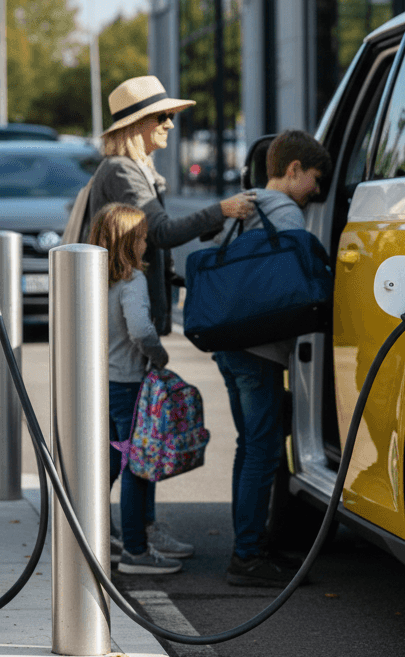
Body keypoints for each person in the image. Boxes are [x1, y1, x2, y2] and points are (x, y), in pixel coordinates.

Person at [88, 75, 257, 561]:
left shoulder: (138, 170)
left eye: (170, 116)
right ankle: (121, 533)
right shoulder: (123, 171)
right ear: (136, 124)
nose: (169, 124)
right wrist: (220, 210)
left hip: (124, 340)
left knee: (132, 442)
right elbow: (156, 232)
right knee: (134, 445)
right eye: (161, 116)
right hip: (128, 344)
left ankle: (126, 528)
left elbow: (149, 249)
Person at [213, 129, 332, 587]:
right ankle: (246, 556)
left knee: (250, 448)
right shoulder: (283, 211)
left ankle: (253, 545)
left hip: (231, 343)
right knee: (262, 451)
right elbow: (293, 272)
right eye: (314, 180)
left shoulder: (245, 204)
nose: (317, 192)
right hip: (259, 349)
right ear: (294, 170)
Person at [89, 203, 180, 575]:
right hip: (128, 382)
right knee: (137, 466)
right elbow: (141, 329)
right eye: (142, 238)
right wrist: (159, 358)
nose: (146, 245)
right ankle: (136, 551)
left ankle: (96, 536)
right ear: (128, 242)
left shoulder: (93, 278)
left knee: (110, 462)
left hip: (100, 381)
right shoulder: (132, 280)